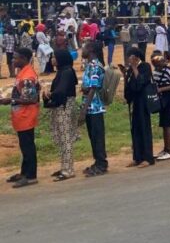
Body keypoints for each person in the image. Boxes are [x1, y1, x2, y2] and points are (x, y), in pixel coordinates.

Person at [1, 48, 40, 188]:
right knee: (25, 146)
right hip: (21, 115)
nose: (13, 60)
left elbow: (30, 98)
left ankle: (30, 176)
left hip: (26, 115)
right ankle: (24, 172)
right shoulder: (22, 73)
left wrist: (10, 100)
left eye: (15, 58)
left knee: (28, 146)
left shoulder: (27, 76)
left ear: (23, 59)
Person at [43, 49, 78, 181]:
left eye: (54, 57)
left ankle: (68, 170)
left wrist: (49, 94)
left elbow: (61, 91)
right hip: (61, 107)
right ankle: (64, 166)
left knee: (65, 139)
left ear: (61, 58)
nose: (52, 59)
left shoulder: (67, 72)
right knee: (62, 138)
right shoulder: (62, 71)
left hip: (65, 107)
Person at [121, 47, 155, 168]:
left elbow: (141, 82)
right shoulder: (130, 70)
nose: (128, 60)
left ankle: (148, 157)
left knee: (144, 128)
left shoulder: (145, 67)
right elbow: (130, 87)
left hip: (143, 102)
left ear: (136, 57)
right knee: (135, 129)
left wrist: (135, 68)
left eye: (130, 57)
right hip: (134, 103)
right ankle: (137, 157)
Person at [81, 40, 108, 177]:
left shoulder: (95, 66)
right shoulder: (89, 65)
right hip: (90, 106)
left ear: (91, 49)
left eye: (84, 47)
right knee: (93, 136)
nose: (82, 50)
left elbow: (92, 89)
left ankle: (102, 164)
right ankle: (97, 161)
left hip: (95, 107)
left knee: (97, 136)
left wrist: (84, 109)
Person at [152, 53, 170, 160]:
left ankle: (169, 150)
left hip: (169, 97)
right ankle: (165, 149)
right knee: (164, 124)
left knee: (168, 124)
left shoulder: (169, 70)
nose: (157, 67)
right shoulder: (156, 70)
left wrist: (161, 89)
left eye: (159, 65)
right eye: (156, 66)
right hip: (162, 98)